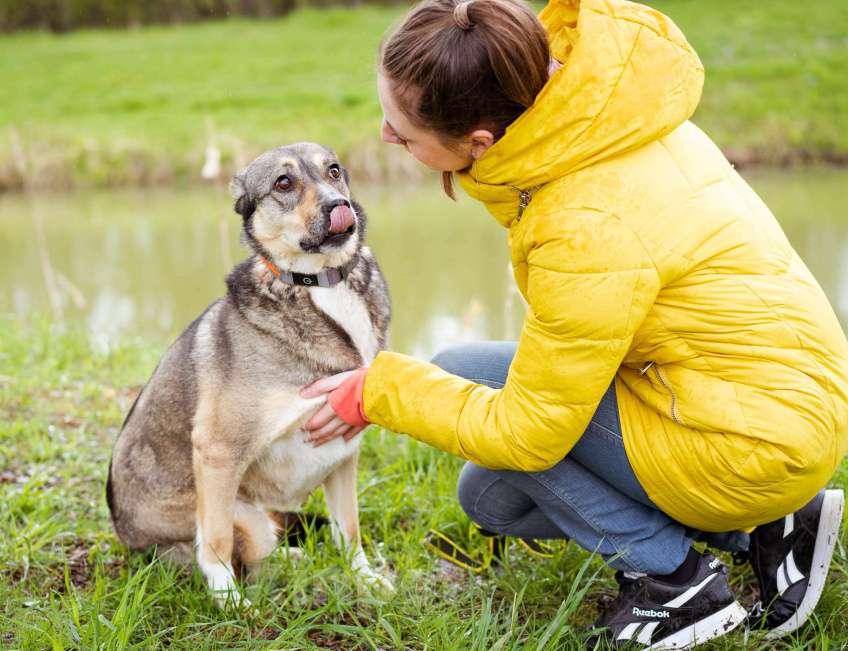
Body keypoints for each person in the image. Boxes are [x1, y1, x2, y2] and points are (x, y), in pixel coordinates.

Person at [301, 0, 848, 647]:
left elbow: (531, 435)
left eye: (404, 131)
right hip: (766, 392)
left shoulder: (580, 223)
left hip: (749, 441)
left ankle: (676, 581)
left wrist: (376, 392)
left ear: (478, 143)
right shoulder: (601, 114)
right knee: (488, 494)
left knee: (500, 433)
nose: (387, 136)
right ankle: (767, 527)